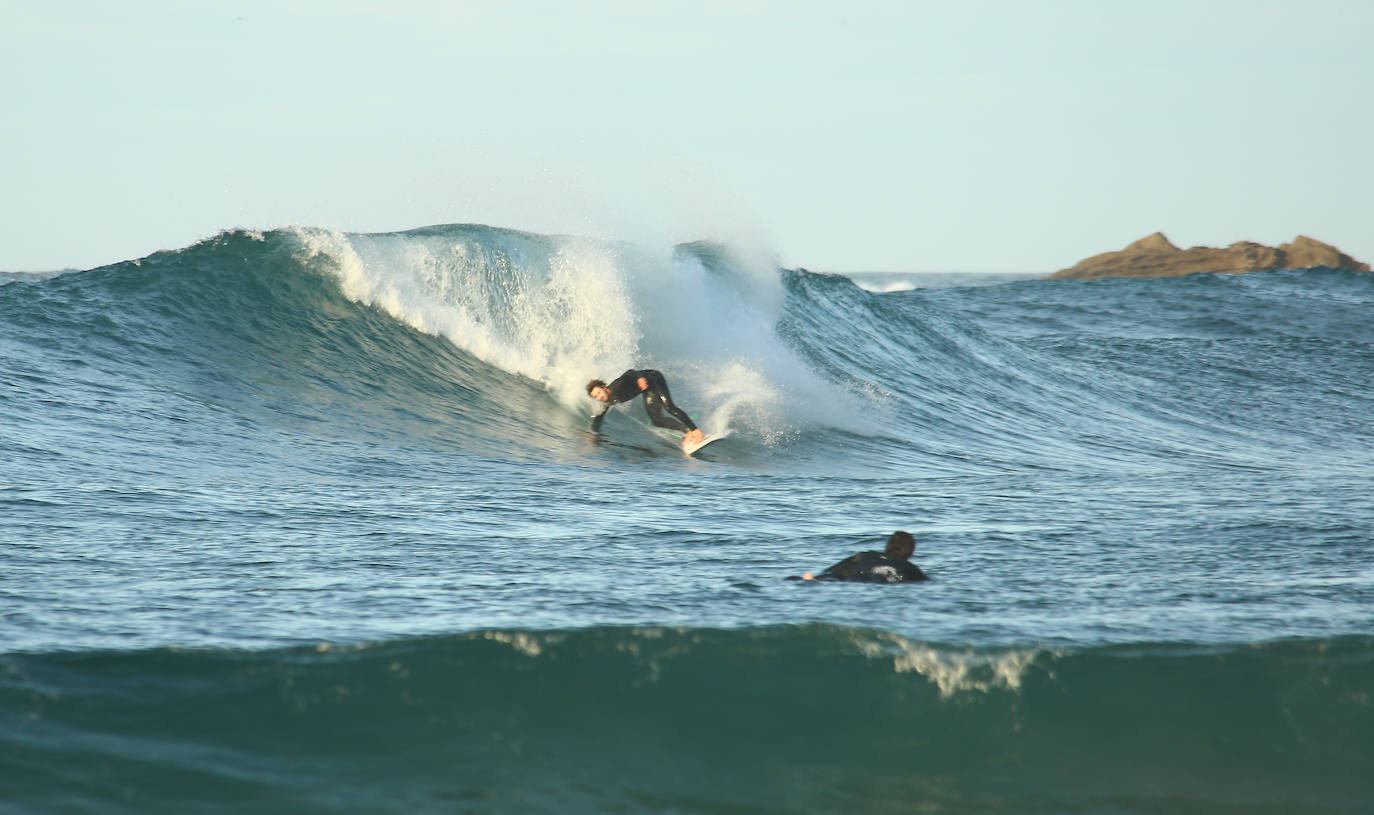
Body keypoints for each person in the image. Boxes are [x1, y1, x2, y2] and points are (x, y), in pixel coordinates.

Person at [587, 369, 706, 448]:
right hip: (648, 390)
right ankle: (688, 431)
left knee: (669, 407)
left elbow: (630, 372)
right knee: (657, 420)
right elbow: (599, 418)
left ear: (603, 387)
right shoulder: (607, 401)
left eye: (598, 393)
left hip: (653, 378)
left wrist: (639, 379)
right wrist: (593, 435)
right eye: (595, 397)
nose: (599, 397)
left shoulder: (616, 386)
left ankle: (696, 431)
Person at [800, 531, 929, 583]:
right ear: (911, 551)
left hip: (843, 574)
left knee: (830, 578)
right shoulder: (911, 570)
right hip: (865, 580)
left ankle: (814, 579)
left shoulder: (864, 556)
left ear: (888, 546)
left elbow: (836, 567)